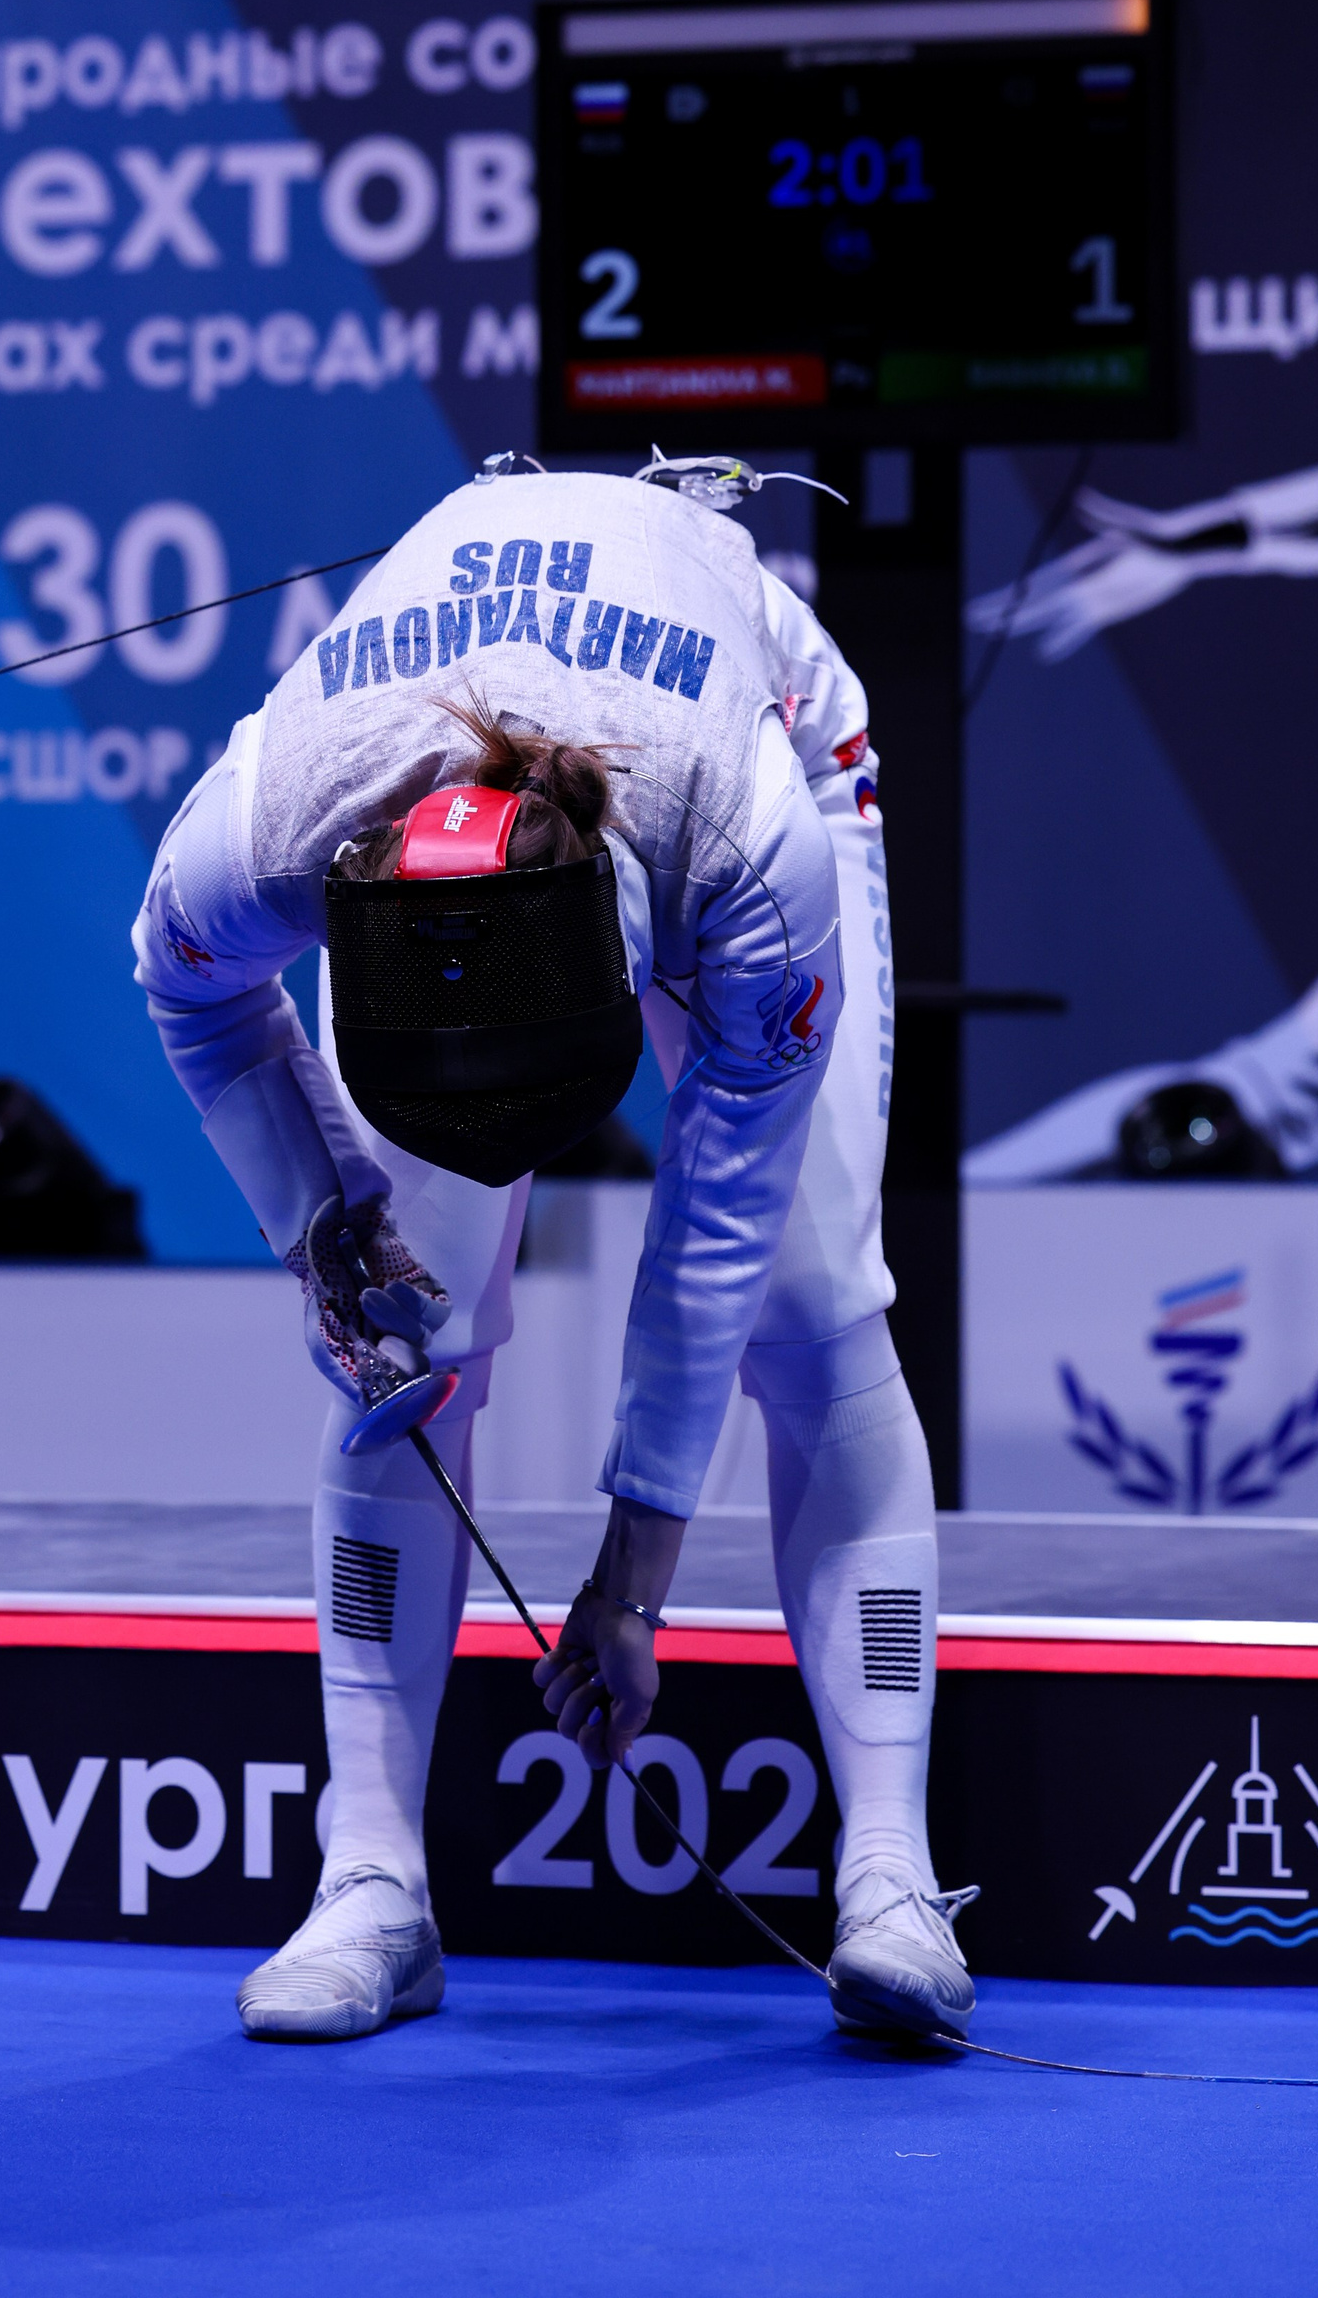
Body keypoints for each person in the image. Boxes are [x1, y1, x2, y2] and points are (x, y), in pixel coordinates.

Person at [133, 453, 973, 2044]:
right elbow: (187, 988)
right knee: (403, 1344)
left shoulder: (749, 851)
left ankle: (892, 1876)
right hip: (450, 775)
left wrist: (633, 1585)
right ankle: (370, 1882)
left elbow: (710, 1239)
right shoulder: (288, 817)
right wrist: (324, 1229)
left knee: (808, 1305)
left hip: (767, 737)